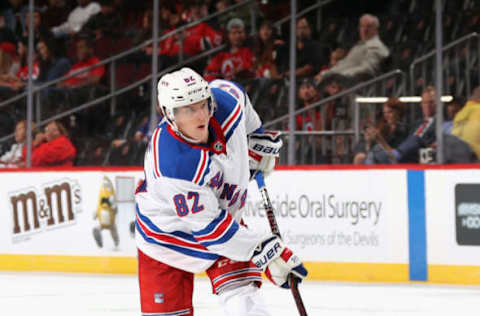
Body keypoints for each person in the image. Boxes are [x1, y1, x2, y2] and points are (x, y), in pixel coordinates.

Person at [135, 67, 307, 316]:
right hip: (166, 237)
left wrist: (256, 137)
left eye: (203, 104)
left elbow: (241, 101)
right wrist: (264, 250)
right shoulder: (173, 165)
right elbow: (213, 232)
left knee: (244, 299)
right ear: (168, 114)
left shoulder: (227, 102)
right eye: (188, 110)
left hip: (221, 220)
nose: (200, 115)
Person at [314, 14, 389, 85]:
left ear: (376, 29)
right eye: (362, 26)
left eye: (369, 26)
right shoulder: (359, 46)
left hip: (352, 87)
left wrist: (337, 76)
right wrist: (324, 74)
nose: (365, 30)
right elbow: (344, 65)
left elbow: (367, 70)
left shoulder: (376, 47)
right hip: (338, 81)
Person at [204, 18, 255, 82]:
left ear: (245, 34)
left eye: (240, 32)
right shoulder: (221, 55)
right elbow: (209, 73)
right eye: (234, 33)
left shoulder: (250, 51)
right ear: (228, 35)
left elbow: (252, 69)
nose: (237, 36)